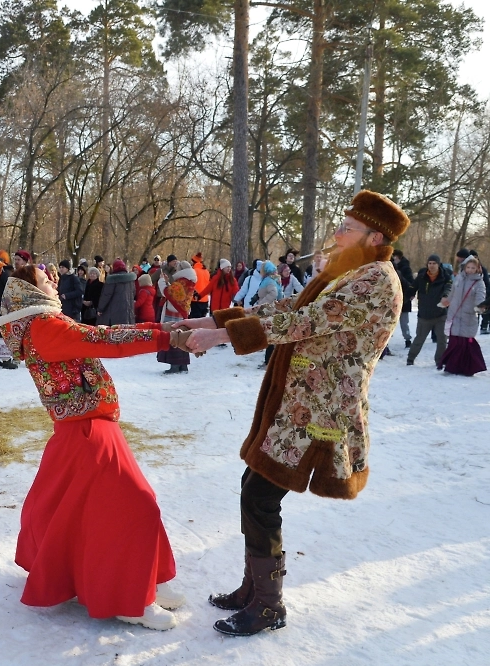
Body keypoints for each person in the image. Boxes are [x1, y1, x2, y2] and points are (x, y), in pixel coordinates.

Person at [179, 189, 409, 636]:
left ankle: (268, 607)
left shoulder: (376, 279)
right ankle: (255, 591)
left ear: (375, 237)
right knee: (253, 488)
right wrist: (213, 320)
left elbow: (304, 322)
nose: (337, 234)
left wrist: (222, 338)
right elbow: (290, 306)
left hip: (321, 414)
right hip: (296, 407)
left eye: (348, 228)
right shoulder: (350, 270)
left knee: (260, 497)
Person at [0, 264, 189, 631]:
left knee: (102, 510)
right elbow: (104, 340)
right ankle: (129, 599)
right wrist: (167, 337)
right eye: (44, 280)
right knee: (135, 506)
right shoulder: (44, 327)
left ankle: (144, 579)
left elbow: (102, 336)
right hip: (86, 435)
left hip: (92, 427)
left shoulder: (44, 323)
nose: (53, 283)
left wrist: (166, 331)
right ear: (28, 291)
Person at [439, 254, 486, 375]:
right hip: (454, 314)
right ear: (464, 267)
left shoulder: (479, 283)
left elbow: (480, 297)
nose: (470, 270)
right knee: (454, 342)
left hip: (468, 316)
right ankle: (451, 367)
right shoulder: (459, 278)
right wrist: (446, 301)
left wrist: (480, 306)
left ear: (477, 269)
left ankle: (468, 368)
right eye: (468, 267)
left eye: (473, 268)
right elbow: (452, 293)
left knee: (466, 343)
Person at [406, 255, 452, 367]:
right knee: (419, 338)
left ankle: (440, 360)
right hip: (424, 314)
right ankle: (410, 358)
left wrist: (445, 296)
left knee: (442, 339)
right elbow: (412, 288)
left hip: (440, 314)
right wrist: (408, 296)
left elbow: (449, 288)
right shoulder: (421, 277)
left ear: (438, 264)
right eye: (430, 263)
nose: (431, 266)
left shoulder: (445, 277)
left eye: (434, 263)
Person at [157, 261, 197, 374]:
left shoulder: (182, 281)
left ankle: (174, 365)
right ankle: (183, 365)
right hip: (182, 313)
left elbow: (167, 293)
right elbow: (176, 294)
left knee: (173, 337)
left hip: (173, 313)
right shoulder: (189, 281)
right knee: (183, 337)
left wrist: (161, 281)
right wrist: (168, 282)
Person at [96, 259, 136, 325]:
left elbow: (106, 296)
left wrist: (100, 309)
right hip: (128, 312)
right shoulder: (131, 281)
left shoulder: (112, 280)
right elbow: (133, 293)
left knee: (114, 329)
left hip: (114, 312)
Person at [256, 261, 280, 367]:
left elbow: (273, 293)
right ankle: (269, 361)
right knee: (270, 335)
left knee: (269, 335)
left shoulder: (269, 280)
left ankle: (268, 362)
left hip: (268, 310)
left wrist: (262, 303)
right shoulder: (272, 279)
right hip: (270, 310)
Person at [190, 253, 211, 318]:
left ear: (194, 262)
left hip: (195, 299)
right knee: (201, 320)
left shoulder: (193, 271)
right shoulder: (206, 271)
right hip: (205, 300)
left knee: (194, 320)